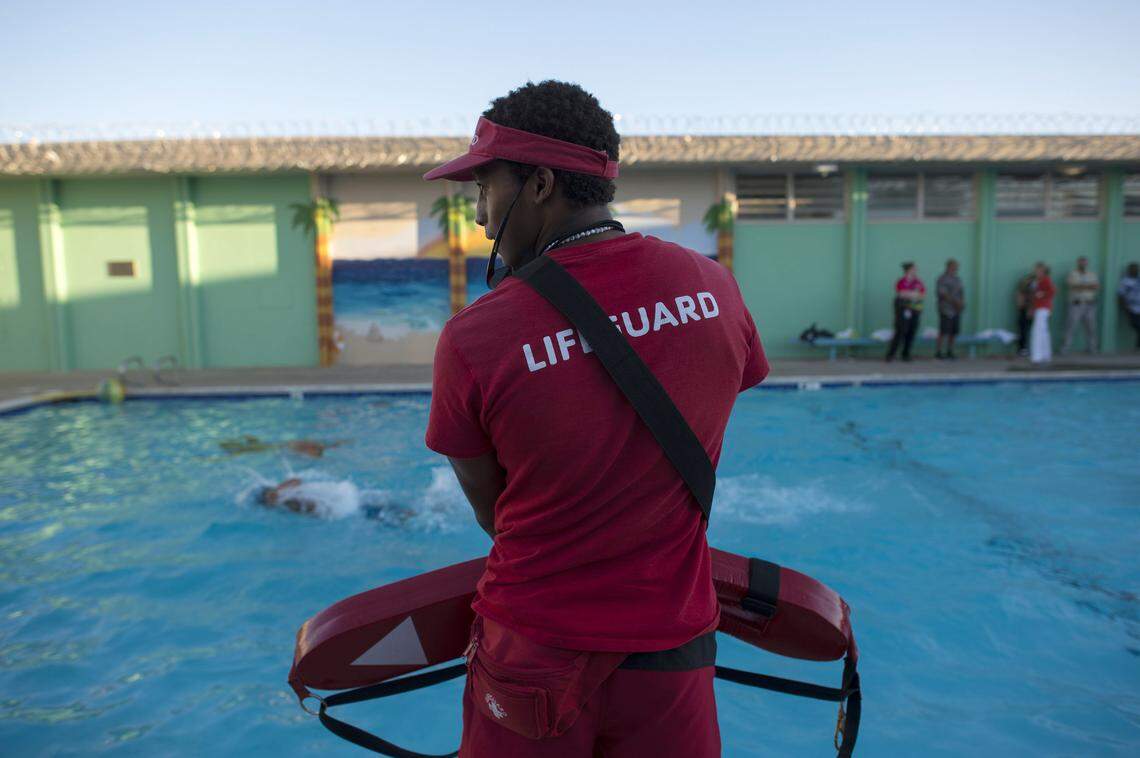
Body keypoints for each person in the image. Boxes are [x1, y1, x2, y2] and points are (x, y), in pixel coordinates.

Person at [423, 81, 768, 758]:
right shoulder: (714, 287)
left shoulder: (477, 336)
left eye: (485, 188)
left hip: (535, 653)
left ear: (541, 184)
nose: (480, 216)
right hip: (674, 651)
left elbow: (494, 513)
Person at [886, 262, 925, 362]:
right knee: (900, 331)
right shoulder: (902, 281)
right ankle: (891, 354)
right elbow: (901, 294)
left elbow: (922, 294)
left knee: (911, 331)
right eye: (913, 269)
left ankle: (906, 354)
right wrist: (913, 294)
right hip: (902, 309)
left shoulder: (918, 282)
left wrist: (910, 294)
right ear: (908, 270)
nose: (915, 271)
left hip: (915, 309)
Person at [1060, 256, 1100, 354]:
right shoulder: (1072, 274)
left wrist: (1081, 286)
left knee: (1091, 327)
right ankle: (1065, 348)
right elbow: (1073, 286)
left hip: (1089, 304)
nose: (1083, 264)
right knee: (1071, 326)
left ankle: (1092, 348)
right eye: (1081, 263)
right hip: (1076, 304)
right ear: (1078, 263)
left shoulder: (1092, 274)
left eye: (1085, 263)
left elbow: (1096, 286)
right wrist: (1088, 286)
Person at [935, 258, 965, 359]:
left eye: (957, 267)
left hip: (956, 310)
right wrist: (955, 302)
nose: (956, 268)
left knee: (954, 331)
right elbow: (943, 294)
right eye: (954, 266)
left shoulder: (957, 279)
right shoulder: (942, 279)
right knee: (944, 331)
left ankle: (950, 350)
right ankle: (939, 351)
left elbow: (961, 292)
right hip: (946, 309)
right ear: (948, 267)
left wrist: (962, 303)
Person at [1030, 262, 1055, 364]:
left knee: (1038, 331)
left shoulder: (1046, 280)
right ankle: (1045, 355)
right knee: (1043, 331)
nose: (1037, 272)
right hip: (1038, 307)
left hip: (1043, 308)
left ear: (1043, 271)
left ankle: (1037, 356)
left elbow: (1052, 291)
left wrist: (1042, 294)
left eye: (1039, 270)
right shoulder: (1037, 281)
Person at [1014, 271, 1036, 356]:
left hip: (1030, 310)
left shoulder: (1032, 288)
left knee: (1030, 330)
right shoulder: (1023, 289)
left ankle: (1026, 348)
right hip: (1024, 310)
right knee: (1023, 330)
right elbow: (1020, 301)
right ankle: (1022, 348)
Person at [1119, 262, 1140, 350]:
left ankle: (1137, 346)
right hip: (1132, 308)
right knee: (1136, 325)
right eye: (1132, 269)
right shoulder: (1125, 281)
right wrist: (1125, 307)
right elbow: (1121, 295)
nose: (1134, 270)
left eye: (1136, 269)